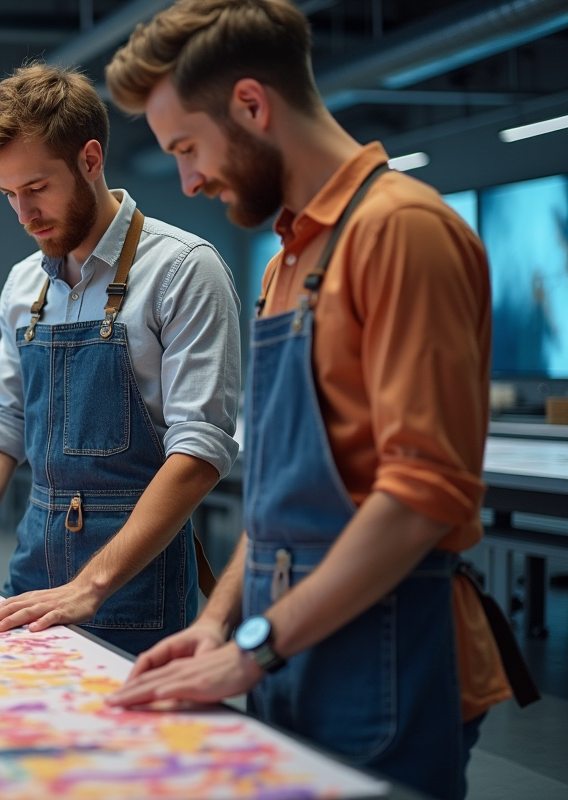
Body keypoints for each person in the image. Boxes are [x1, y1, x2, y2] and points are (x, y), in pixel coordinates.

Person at [102, 2, 537, 798]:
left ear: (251, 105)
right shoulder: (286, 263)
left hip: (387, 652)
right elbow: (277, 499)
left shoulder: (402, 232)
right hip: (288, 643)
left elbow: (420, 496)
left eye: (187, 148)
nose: (190, 180)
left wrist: (257, 647)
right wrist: (217, 623)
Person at [0, 63, 241, 656]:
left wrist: (91, 584)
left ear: (90, 159)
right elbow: (1, 427)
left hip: (130, 590)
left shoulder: (182, 270)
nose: (24, 214)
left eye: (36, 188)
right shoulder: (23, 286)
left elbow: (200, 449)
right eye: (8, 194)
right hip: (31, 576)